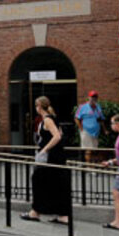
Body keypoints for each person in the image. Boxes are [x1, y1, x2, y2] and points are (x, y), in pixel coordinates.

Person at [20, 96, 70, 224]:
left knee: (38, 181)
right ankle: (62, 215)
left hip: (50, 159)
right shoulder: (51, 118)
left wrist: (44, 149)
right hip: (56, 158)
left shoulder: (47, 120)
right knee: (56, 184)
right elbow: (60, 133)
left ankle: (35, 212)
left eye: (36, 106)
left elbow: (57, 136)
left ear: (39, 107)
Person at [75, 90, 107, 163]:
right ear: (88, 98)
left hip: (95, 132)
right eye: (92, 97)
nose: (94, 99)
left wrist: (105, 130)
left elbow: (101, 119)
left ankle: (92, 166)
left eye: (95, 97)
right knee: (88, 149)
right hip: (86, 131)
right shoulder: (82, 107)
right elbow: (76, 118)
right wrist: (81, 129)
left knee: (94, 150)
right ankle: (88, 167)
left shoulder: (98, 107)